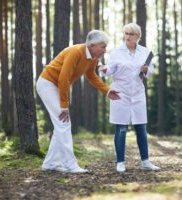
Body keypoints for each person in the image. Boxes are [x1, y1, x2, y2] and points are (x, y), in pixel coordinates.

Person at [36, 30, 120, 173]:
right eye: (103, 46)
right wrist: (64, 106)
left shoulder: (93, 58)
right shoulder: (75, 52)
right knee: (63, 122)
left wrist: (107, 90)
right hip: (48, 84)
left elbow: (91, 76)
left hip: (57, 86)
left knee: (61, 125)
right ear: (92, 45)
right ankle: (70, 164)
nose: (105, 50)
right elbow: (64, 78)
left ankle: (50, 163)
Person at [99, 23, 160, 173]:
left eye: (131, 34)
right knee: (121, 128)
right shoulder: (117, 52)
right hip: (121, 93)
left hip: (138, 93)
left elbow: (150, 70)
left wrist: (147, 70)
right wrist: (104, 69)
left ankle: (145, 162)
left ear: (138, 37)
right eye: (126, 33)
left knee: (141, 128)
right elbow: (110, 70)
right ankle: (120, 162)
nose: (127, 36)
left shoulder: (145, 52)